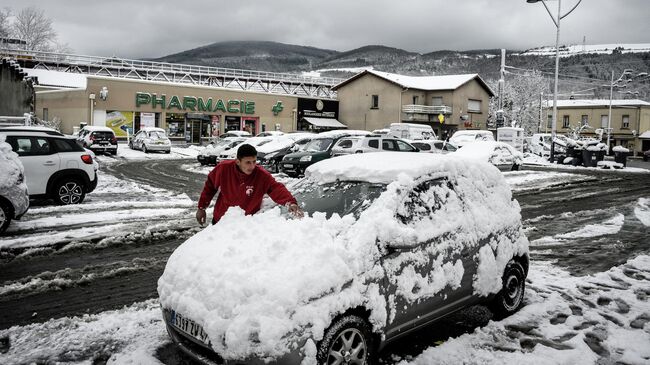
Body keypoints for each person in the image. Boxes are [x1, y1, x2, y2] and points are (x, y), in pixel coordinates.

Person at [196, 143, 303, 225]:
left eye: (254, 161)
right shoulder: (224, 169)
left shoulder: (261, 175)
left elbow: (275, 188)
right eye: (248, 162)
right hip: (221, 220)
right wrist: (201, 208)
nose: (252, 166)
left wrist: (290, 203)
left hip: (246, 224)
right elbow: (210, 186)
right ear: (238, 161)